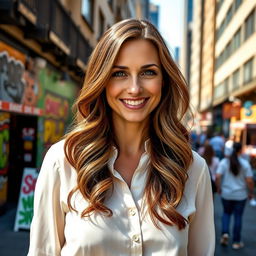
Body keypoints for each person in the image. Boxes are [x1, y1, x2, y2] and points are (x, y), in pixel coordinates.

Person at [27, 19, 215, 256]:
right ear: (102, 81)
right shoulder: (62, 161)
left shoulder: (193, 168)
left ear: (164, 81)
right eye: (119, 73)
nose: (135, 88)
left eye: (148, 72)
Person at [216, 142, 254, 250]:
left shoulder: (224, 162)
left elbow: (218, 176)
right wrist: (251, 192)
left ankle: (225, 234)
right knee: (238, 217)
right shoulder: (245, 163)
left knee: (226, 214)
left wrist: (219, 188)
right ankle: (236, 242)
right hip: (240, 195)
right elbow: (250, 181)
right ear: (240, 151)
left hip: (226, 194)